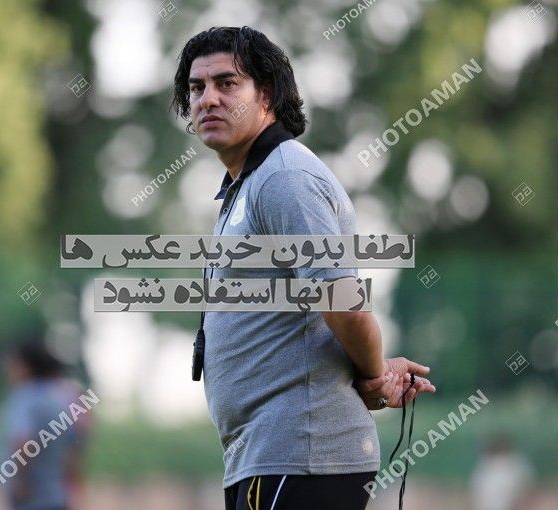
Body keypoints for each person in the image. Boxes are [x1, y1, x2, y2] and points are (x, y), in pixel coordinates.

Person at [171, 26, 436, 510]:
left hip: (301, 456)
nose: (207, 99)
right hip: (267, 458)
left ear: (266, 94)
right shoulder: (249, 182)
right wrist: (375, 371)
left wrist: (375, 375)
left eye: (227, 83)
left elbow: (343, 303)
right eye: (196, 87)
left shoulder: (285, 178)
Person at [0, 340, 89, 510]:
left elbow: (23, 441)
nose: (6, 368)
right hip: (57, 496)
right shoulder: (60, 398)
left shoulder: (25, 397)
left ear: (26, 366)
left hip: (32, 500)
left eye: (12, 363)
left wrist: (20, 481)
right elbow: (74, 447)